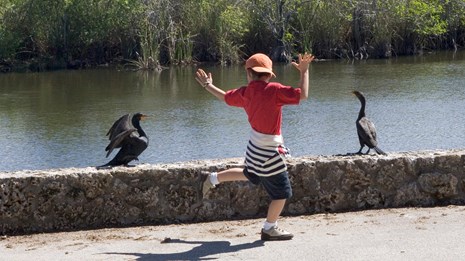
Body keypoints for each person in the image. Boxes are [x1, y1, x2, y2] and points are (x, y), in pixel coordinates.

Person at [194, 52, 315, 241]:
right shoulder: (274, 90)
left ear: (249, 74)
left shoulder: (245, 92)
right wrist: (304, 72)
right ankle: (269, 228)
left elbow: (225, 97)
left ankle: (213, 178)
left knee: (250, 173)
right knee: (282, 193)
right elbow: (304, 95)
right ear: (268, 74)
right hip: (269, 153)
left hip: (254, 149)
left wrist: (207, 85)